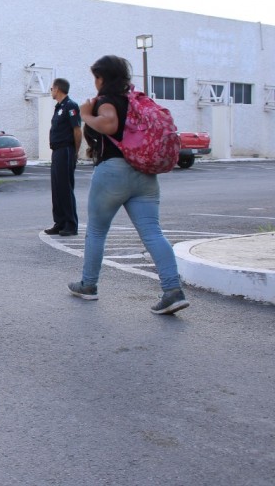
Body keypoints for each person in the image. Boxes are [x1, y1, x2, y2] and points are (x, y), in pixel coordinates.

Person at [68, 55, 189, 315]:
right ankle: (172, 291)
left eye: (96, 77)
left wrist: (86, 114)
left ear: (103, 78)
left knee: (97, 232)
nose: (95, 82)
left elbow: (109, 124)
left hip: (113, 171)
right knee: (153, 233)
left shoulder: (106, 101)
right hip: (144, 173)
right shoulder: (137, 102)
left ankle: (88, 285)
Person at [46, 78, 82, 236]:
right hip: (57, 151)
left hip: (66, 150)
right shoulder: (58, 107)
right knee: (57, 187)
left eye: (52, 88)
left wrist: (75, 151)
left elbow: (77, 130)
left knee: (65, 188)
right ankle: (59, 222)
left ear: (58, 89)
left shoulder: (70, 106)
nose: (51, 91)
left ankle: (70, 224)